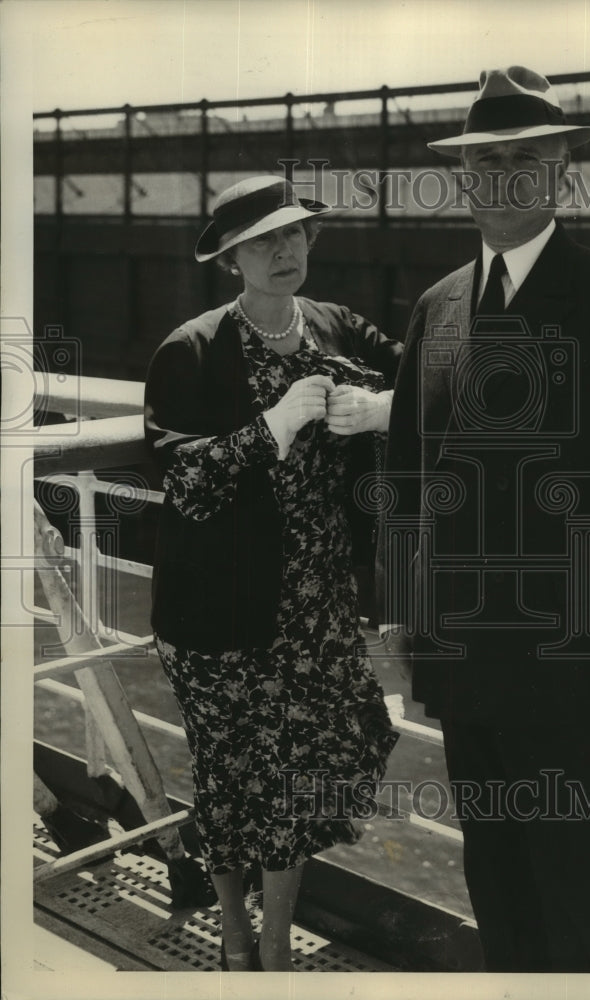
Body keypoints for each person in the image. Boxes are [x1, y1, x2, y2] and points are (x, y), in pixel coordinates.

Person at [379, 66, 590, 972]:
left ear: (559, 173)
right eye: (486, 162)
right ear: (466, 177)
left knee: (581, 879)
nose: (502, 178)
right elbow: (407, 477)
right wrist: (399, 618)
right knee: (497, 873)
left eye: (525, 160)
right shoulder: (436, 306)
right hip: (464, 654)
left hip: (576, 663)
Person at [144, 175, 401, 971]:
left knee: (311, 770)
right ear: (230, 257)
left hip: (318, 604)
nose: (285, 251)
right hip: (220, 610)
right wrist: (272, 427)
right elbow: (184, 483)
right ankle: (233, 929)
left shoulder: (337, 328)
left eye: (294, 234)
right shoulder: (189, 349)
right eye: (264, 240)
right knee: (232, 780)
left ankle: (280, 934)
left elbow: (435, 373)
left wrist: (385, 406)